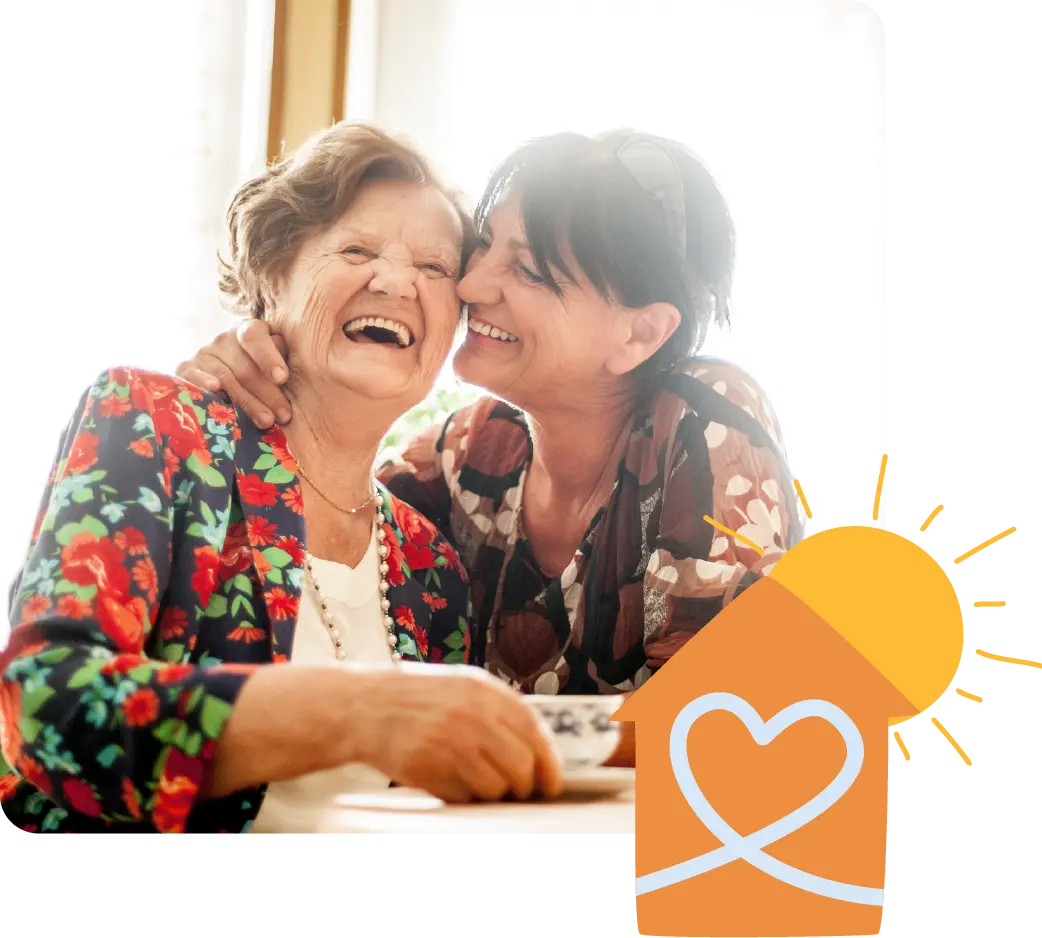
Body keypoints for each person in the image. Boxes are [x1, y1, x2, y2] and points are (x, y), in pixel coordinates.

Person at [0, 122, 563, 840]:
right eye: (357, 250)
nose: (394, 281)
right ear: (272, 278)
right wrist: (352, 711)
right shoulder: (155, 424)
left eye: (434, 269)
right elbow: (46, 706)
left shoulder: (432, 565)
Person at [178, 129, 804, 767]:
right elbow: (329, 506)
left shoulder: (705, 418)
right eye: (482, 249)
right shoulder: (474, 450)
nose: (471, 286)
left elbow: (726, 718)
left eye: (527, 270)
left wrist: (461, 730)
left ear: (640, 334)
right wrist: (263, 351)